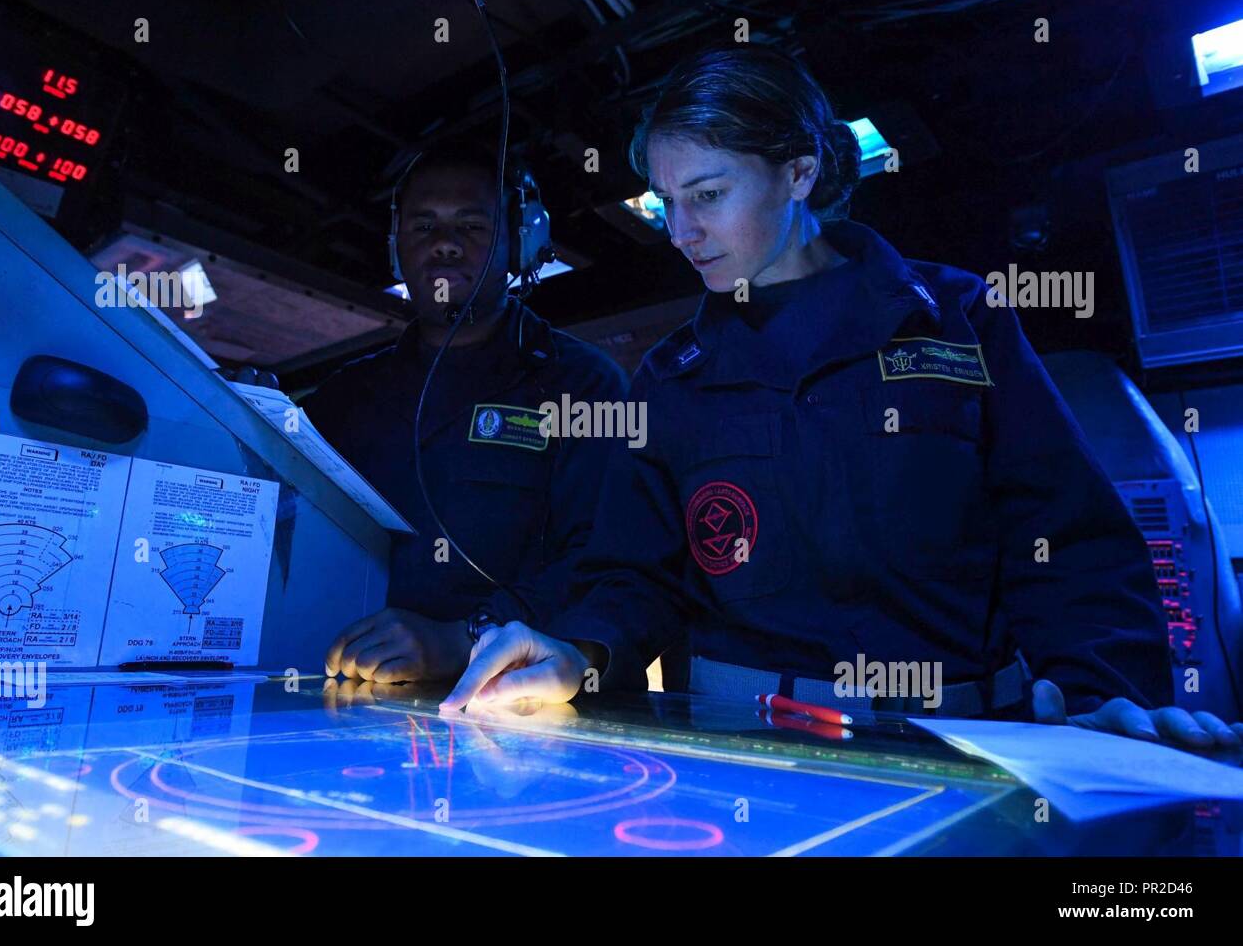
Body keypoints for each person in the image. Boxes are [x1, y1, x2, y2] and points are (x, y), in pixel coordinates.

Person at [441, 46, 1243, 749]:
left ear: (799, 171)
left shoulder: (958, 321)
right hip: (744, 752)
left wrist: (1105, 697)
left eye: (708, 195)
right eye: (666, 202)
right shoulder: (669, 377)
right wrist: (581, 650)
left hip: (963, 742)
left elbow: (1068, 540)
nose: (680, 233)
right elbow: (634, 578)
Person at [308, 141, 627, 684]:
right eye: (424, 227)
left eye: (473, 227)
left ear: (521, 243)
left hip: (517, 713)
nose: (446, 246)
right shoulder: (339, 400)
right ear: (396, 250)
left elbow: (608, 561)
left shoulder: (585, 386)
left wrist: (469, 636)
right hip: (355, 701)